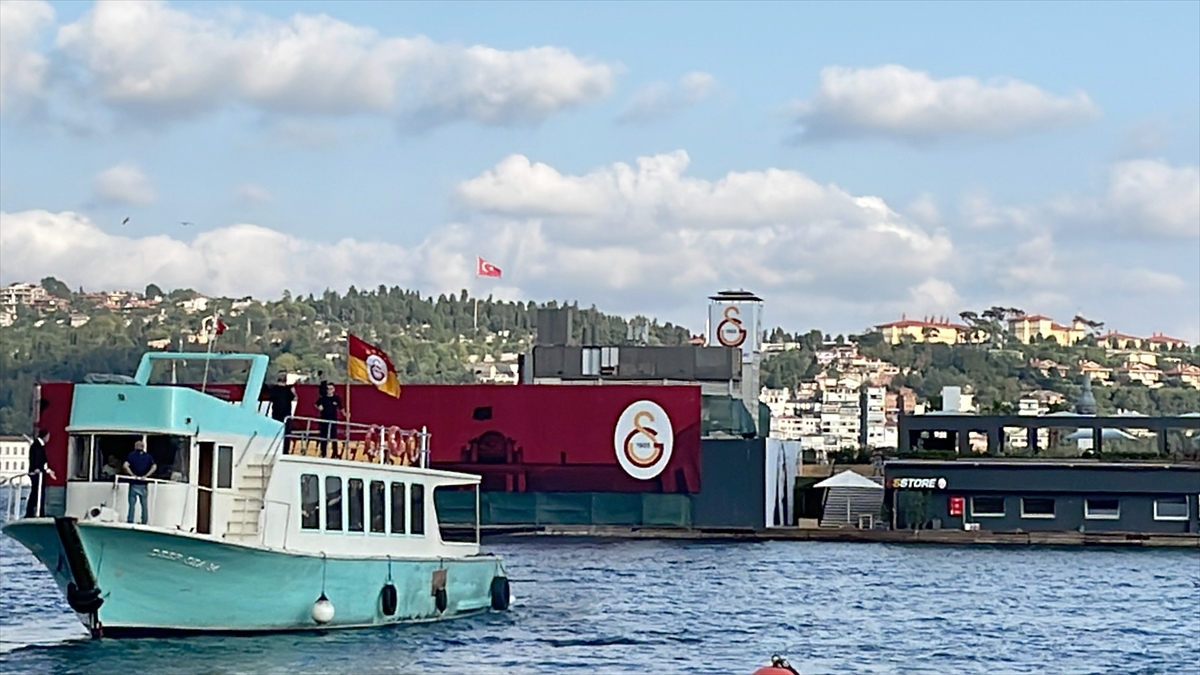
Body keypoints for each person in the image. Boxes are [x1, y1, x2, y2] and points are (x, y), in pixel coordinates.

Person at [123, 440, 157, 525]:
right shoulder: (148, 456)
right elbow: (154, 466)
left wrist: (132, 475)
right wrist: (146, 476)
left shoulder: (131, 455)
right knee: (144, 504)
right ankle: (144, 521)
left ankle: (130, 520)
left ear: (135, 446)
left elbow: (125, 465)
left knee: (132, 504)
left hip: (134, 483)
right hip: (143, 483)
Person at [24, 429, 55, 518]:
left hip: (39, 473)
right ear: (45, 436)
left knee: (37, 493)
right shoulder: (37, 446)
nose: (49, 438)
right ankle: (33, 512)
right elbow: (37, 461)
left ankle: (36, 512)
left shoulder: (38, 446)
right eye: (48, 436)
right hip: (37, 474)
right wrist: (39, 469)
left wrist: (48, 471)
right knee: (36, 493)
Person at [315, 382, 342, 459]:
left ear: (334, 389)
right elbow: (316, 404)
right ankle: (323, 453)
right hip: (324, 420)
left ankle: (335, 453)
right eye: (328, 389)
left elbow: (341, 407)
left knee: (334, 437)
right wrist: (319, 407)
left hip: (333, 420)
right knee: (323, 437)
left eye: (331, 389)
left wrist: (346, 414)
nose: (329, 390)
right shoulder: (323, 398)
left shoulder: (336, 398)